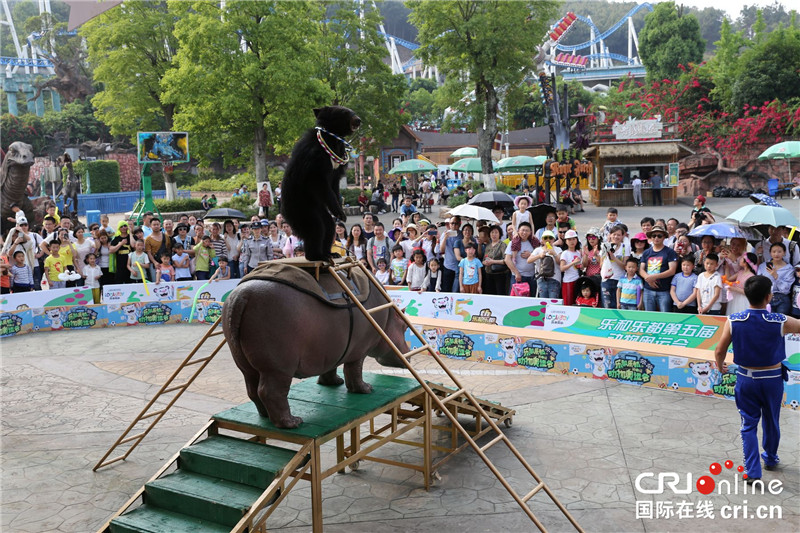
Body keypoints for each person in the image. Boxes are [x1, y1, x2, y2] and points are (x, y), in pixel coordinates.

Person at [714, 275, 800, 484]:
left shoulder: (734, 320)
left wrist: (720, 366)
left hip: (746, 378)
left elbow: (719, 350)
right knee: (771, 420)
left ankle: (752, 471)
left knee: (748, 425)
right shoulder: (780, 321)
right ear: (769, 297)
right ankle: (770, 458)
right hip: (772, 379)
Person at [639, 225, 677, 312]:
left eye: (659, 236)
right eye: (654, 236)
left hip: (664, 291)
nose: (656, 238)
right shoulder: (646, 252)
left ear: (664, 237)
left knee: (665, 316)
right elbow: (641, 269)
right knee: (649, 316)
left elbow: (672, 270)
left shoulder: (669, 252)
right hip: (648, 290)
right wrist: (648, 279)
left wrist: (654, 277)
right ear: (651, 237)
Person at [757, 242, 794, 314]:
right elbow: (758, 282)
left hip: (782, 300)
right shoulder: (763, 266)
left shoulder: (789, 269)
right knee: (766, 322)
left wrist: (776, 276)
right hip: (766, 298)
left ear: (784, 253)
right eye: (774, 252)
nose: (776, 254)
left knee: (780, 323)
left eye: (779, 252)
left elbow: (785, 289)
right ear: (770, 253)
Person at [600, 225, 627, 309]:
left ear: (622, 236)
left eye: (619, 235)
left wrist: (614, 258)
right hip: (606, 279)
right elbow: (601, 265)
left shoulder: (625, 247)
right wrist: (606, 256)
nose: (616, 237)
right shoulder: (605, 246)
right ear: (610, 235)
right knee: (606, 305)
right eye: (614, 234)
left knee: (618, 305)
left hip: (619, 279)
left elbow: (625, 266)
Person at [482, 225, 508, 296]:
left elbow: (505, 260)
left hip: (499, 274)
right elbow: (484, 258)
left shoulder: (503, 245)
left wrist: (493, 261)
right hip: (488, 273)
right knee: (489, 294)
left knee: (499, 293)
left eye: (496, 232)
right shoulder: (488, 246)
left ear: (500, 234)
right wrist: (485, 262)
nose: (494, 234)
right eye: (492, 232)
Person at [559, 229, 582, 305]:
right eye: (569, 239)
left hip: (577, 280)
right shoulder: (565, 253)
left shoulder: (578, 252)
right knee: (568, 303)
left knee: (577, 302)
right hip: (568, 281)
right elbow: (562, 268)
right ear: (566, 241)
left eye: (574, 239)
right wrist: (573, 263)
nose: (572, 241)